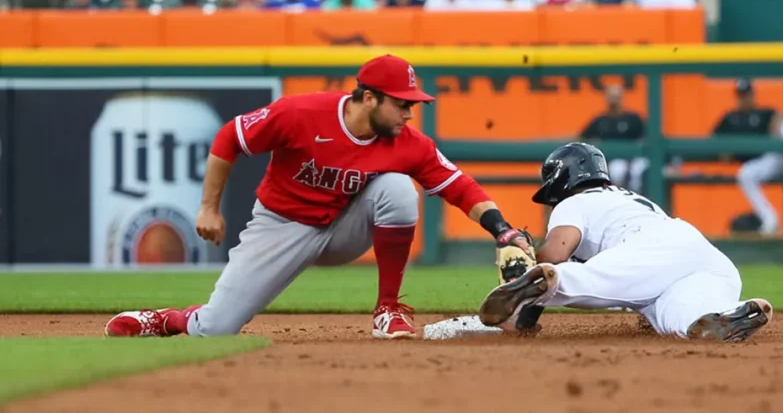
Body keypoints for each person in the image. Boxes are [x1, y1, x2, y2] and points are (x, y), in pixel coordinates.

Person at [104, 55, 534, 340]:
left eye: (412, 104)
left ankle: (388, 309)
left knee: (399, 190)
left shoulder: (408, 141)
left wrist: (503, 230)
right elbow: (229, 137)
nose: (409, 112)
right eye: (401, 104)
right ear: (369, 98)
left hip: (344, 228)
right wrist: (208, 206)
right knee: (214, 329)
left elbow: (459, 186)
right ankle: (169, 319)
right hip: (281, 225)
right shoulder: (300, 113)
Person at [477, 142, 773, 343]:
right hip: (703, 256)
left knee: (587, 280)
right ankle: (729, 316)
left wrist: (532, 265)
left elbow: (555, 255)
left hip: (650, 248)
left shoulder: (574, 202)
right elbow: (652, 272)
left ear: (562, 180)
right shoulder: (629, 198)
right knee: (676, 316)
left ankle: (542, 284)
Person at [712, 78, 783, 235]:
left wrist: (778, 120)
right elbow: (714, 141)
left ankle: (770, 220)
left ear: (753, 95)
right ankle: (770, 219)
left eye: (747, 95)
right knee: (746, 174)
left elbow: (782, 116)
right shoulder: (731, 118)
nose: (744, 99)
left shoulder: (765, 113)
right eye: (741, 95)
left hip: (777, 159)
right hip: (757, 164)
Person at [578, 85, 647, 193]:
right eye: (611, 96)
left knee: (639, 170)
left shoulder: (633, 119)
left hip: (634, 161)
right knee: (618, 169)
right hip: (611, 162)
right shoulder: (600, 121)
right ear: (606, 98)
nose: (613, 100)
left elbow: (646, 139)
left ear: (621, 98)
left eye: (616, 96)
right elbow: (583, 138)